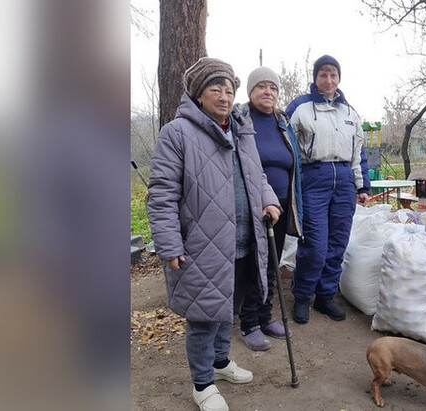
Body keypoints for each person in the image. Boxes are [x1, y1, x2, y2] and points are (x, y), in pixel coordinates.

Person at [147, 57, 281, 411]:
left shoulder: (242, 129)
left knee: (228, 309)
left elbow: (258, 177)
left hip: (243, 240)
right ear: (198, 94)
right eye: (215, 89)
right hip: (200, 244)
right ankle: (202, 383)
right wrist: (169, 244)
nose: (224, 96)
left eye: (229, 89)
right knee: (204, 317)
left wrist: (270, 202)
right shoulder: (177, 133)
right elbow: (161, 195)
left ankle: (220, 363)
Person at [285, 54, 370, 324]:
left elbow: (359, 153)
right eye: (323, 74)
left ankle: (325, 297)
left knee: (337, 243)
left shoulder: (350, 112)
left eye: (333, 74)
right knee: (315, 244)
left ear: (339, 78)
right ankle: (302, 297)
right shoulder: (300, 107)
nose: (329, 79)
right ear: (315, 78)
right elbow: (287, 145)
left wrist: (362, 185)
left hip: (344, 179)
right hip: (314, 178)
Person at [235, 67, 303, 351]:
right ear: (250, 92)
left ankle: (265, 316)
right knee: (255, 262)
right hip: (254, 205)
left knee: (272, 261)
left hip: (284, 203)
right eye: (261, 87)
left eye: (272, 88)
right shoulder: (241, 119)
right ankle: (249, 322)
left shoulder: (282, 121)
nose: (268, 92)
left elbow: (293, 161)